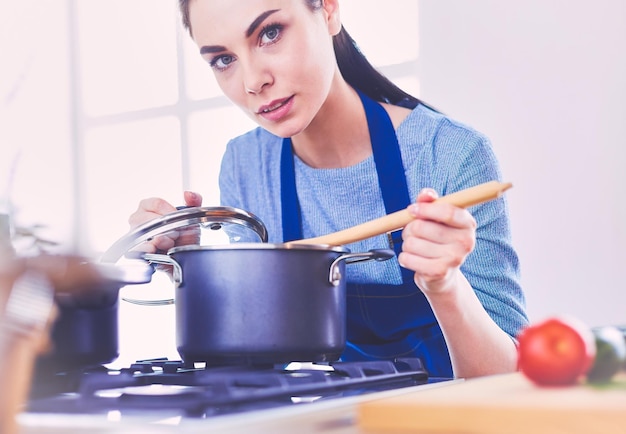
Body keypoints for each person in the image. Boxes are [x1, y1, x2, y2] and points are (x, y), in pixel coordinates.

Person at [129, 0, 528, 379]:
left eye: (269, 33)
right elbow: (252, 368)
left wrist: (445, 286)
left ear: (329, 9)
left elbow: (508, 382)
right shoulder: (246, 165)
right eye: (224, 60)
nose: (253, 82)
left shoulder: (450, 155)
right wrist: (190, 271)